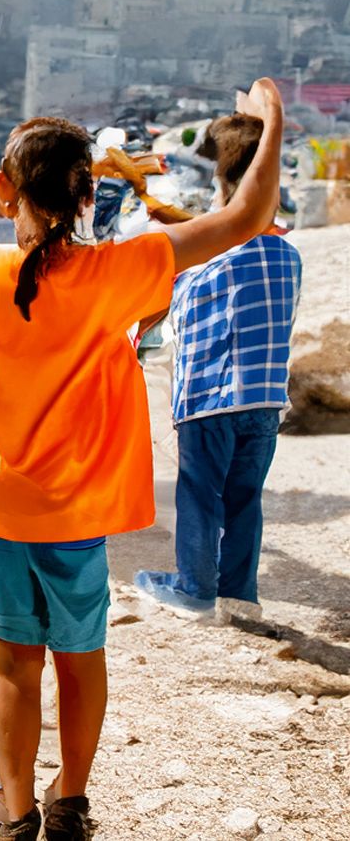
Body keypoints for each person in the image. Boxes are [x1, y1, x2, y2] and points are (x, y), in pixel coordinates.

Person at [0, 77, 285, 841]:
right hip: (77, 513)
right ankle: (70, 806)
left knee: (13, 658)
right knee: (81, 654)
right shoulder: (122, 271)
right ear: (89, 194)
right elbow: (249, 215)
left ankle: (13, 813)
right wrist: (271, 118)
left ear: (2, 188)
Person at [135, 112, 302, 622]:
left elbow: (162, 309)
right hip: (265, 398)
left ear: (223, 186)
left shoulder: (203, 258)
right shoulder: (288, 256)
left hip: (208, 400)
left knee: (200, 495)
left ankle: (194, 589)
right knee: (246, 499)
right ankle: (239, 594)